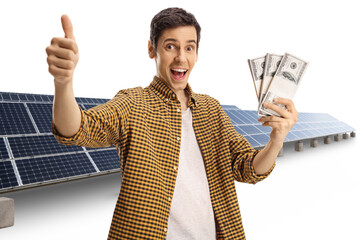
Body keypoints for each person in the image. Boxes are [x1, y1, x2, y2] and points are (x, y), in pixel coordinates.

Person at [46, 7, 298, 240]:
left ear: (197, 53)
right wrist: (63, 82)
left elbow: (247, 168)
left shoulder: (211, 109)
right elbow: (77, 129)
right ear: (151, 49)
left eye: (190, 48)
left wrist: (276, 141)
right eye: (170, 46)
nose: (181, 58)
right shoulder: (134, 103)